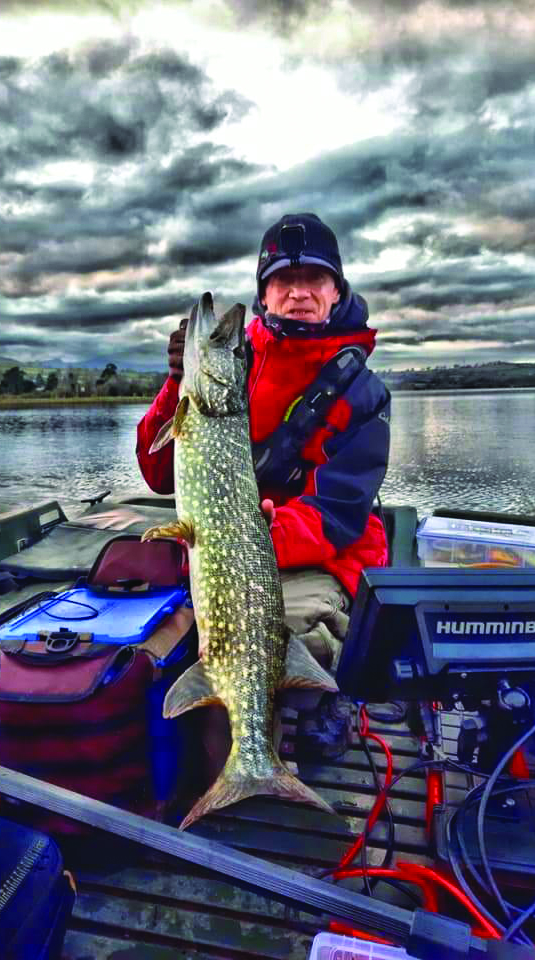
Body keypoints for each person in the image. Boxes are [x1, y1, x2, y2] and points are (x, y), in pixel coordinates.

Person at [136, 213, 390, 758]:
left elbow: (339, 514)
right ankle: (205, 783)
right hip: (230, 547)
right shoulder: (233, 362)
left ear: (336, 290)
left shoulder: (364, 394)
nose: (298, 293)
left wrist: (244, 540)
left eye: (315, 279)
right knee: (150, 636)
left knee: (286, 633)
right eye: (282, 280)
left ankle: (268, 760)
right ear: (264, 295)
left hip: (321, 552)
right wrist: (176, 385)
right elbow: (159, 474)